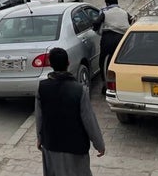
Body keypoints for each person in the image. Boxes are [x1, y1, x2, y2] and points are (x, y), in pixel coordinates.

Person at [35, 48, 105, 176]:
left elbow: (39, 117)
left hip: (51, 145)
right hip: (76, 148)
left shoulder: (42, 88)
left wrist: (39, 138)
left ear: (50, 64)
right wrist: (99, 144)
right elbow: (89, 120)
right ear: (68, 63)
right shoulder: (79, 90)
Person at [93, 0, 133, 94]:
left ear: (107, 4)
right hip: (122, 39)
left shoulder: (105, 12)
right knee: (123, 60)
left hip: (108, 38)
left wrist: (95, 28)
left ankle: (104, 84)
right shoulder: (124, 12)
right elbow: (131, 20)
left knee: (103, 60)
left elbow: (97, 22)